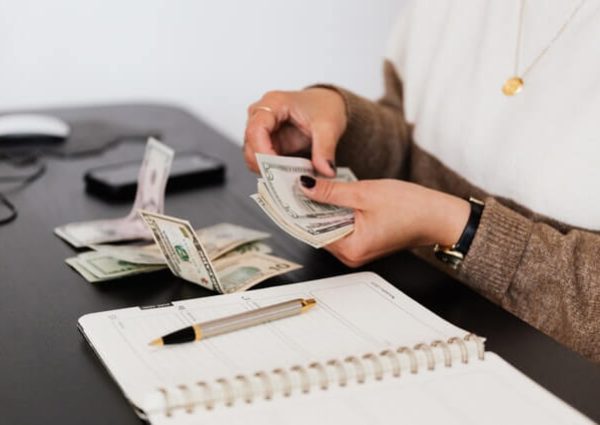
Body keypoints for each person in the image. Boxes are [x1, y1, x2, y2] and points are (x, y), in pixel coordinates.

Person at [242, 0, 600, 362]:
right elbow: (416, 139)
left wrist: (461, 229)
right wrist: (342, 122)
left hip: (552, 380)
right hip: (412, 328)